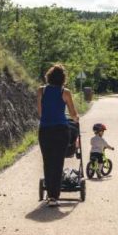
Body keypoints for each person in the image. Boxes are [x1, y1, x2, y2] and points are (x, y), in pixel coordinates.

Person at [37, 64, 79, 206]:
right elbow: (73, 114)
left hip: (45, 130)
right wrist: (76, 118)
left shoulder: (41, 91)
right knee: (58, 161)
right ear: (63, 78)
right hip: (61, 130)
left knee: (48, 162)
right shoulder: (65, 92)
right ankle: (54, 196)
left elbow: (40, 113)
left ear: (48, 76)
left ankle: (50, 195)